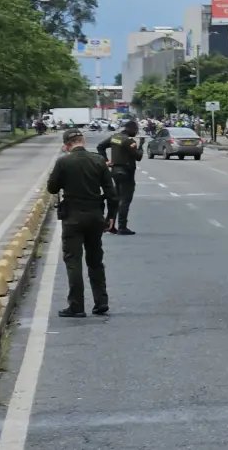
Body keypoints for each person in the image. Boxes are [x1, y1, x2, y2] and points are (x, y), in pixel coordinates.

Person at [46, 128, 116, 318]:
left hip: (72, 217)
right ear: (82, 141)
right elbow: (111, 192)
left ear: (67, 145)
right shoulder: (98, 160)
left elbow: (52, 188)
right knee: (95, 260)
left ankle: (76, 306)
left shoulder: (64, 162)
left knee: (73, 261)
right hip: (95, 216)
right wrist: (111, 216)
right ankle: (101, 301)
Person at [97, 120, 143, 235]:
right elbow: (138, 157)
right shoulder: (128, 141)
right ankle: (122, 226)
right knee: (125, 200)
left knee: (116, 199)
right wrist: (141, 145)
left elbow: (100, 146)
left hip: (115, 171)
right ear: (131, 129)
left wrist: (106, 161)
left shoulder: (115, 137)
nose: (136, 133)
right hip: (127, 172)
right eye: (136, 130)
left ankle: (109, 225)